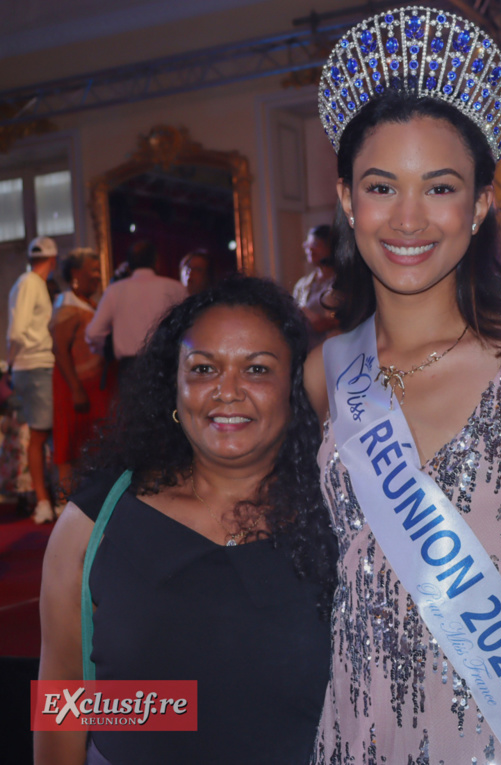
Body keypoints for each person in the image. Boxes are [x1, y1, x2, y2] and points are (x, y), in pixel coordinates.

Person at [304, 8, 501, 763]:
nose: (409, 218)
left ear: (480, 205)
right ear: (346, 200)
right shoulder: (326, 371)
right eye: (381, 186)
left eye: (439, 187)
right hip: (361, 726)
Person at [37, 276, 336, 765]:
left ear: (293, 389)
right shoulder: (97, 522)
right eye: (203, 369)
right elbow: (65, 703)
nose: (227, 391)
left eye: (257, 369)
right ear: (174, 387)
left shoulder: (339, 520)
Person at [49, 248, 115, 511]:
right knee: (70, 446)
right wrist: (76, 388)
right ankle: (66, 508)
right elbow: (59, 349)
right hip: (74, 386)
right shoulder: (67, 305)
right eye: (93, 270)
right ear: (75, 273)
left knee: (94, 445)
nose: (98, 276)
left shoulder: (88, 303)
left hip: (94, 387)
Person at [7, 236, 59, 523]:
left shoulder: (31, 282)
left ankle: (49, 498)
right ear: (53, 260)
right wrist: (13, 360)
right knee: (40, 434)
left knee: (45, 433)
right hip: (34, 364)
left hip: (35, 364)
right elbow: (17, 332)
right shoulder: (30, 283)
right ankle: (43, 500)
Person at [86, 240, 186, 389]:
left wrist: (106, 349)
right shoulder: (176, 288)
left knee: (134, 411)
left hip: (130, 370)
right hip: (166, 365)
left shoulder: (116, 290)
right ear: (156, 261)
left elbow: (93, 333)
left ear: (129, 263)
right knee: (166, 411)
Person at [292, 225, 339, 348]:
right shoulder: (303, 284)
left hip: (336, 349)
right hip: (309, 350)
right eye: (308, 244)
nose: (309, 249)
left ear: (330, 247)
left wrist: (309, 315)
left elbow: (350, 319)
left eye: (316, 244)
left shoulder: (345, 282)